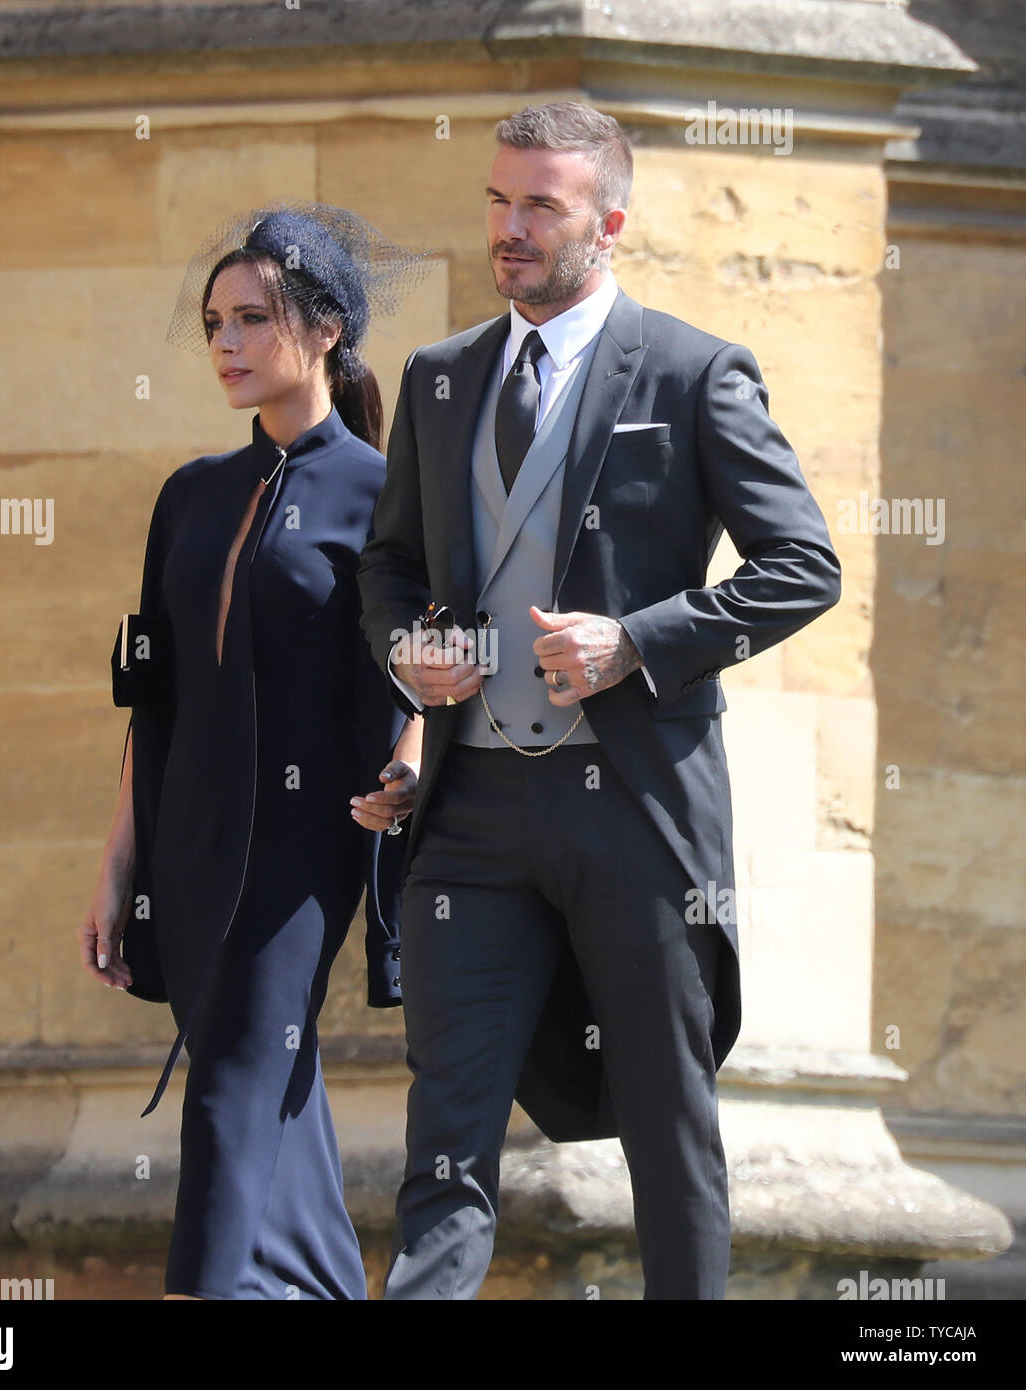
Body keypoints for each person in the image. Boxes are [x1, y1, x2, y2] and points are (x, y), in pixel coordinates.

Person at [357, 102, 841, 1299]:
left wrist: (637, 640)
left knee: (669, 1126)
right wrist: (408, 648)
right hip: (470, 814)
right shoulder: (436, 379)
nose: (508, 229)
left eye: (540, 207)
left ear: (608, 223)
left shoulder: (692, 373)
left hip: (634, 812)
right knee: (446, 1136)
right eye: (495, 201)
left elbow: (804, 567)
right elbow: (390, 567)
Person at [77, 203, 431, 1300]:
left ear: (325, 331)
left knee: (232, 1070)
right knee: (275, 1074)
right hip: (187, 846)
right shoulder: (189, 495)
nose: (226, 344)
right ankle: (322, 1281)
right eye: (214, 323)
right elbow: (153, 694)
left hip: (298, 848)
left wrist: (412, 759)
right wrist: (116, 866)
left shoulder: (381, 494)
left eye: (252, 320)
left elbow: (432, 658)